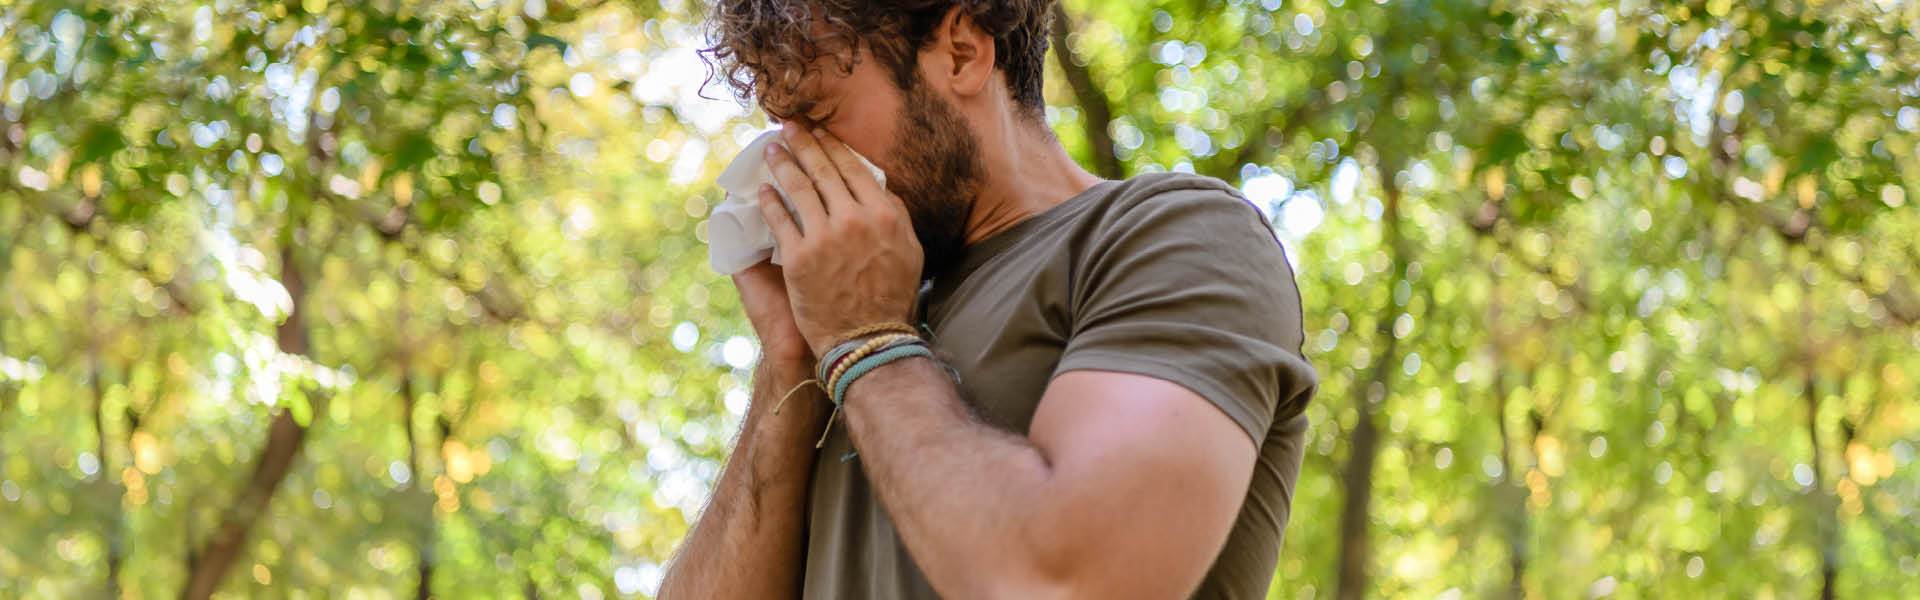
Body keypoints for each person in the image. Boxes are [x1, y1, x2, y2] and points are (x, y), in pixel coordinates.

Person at [660, 1, 1317, 597]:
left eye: (821, 118)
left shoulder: (1175, 236)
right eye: (783, 130)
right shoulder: (850, 317)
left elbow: (1069, 585)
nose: (793, 162)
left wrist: (866, 342)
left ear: (962, 51)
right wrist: (792, 360)